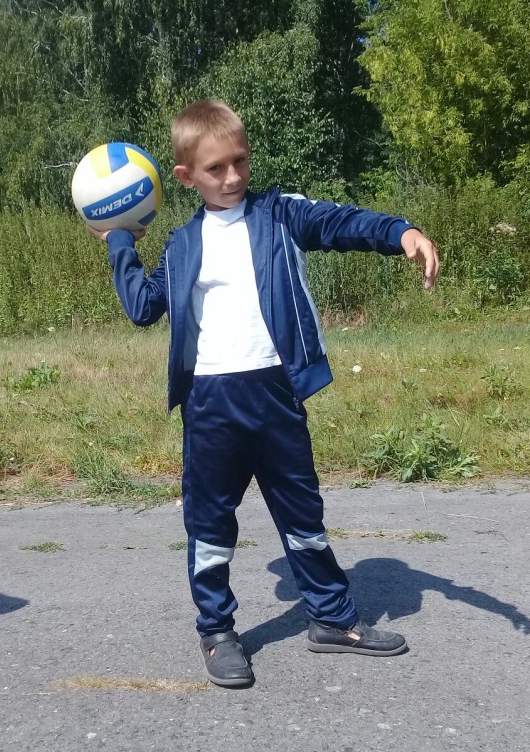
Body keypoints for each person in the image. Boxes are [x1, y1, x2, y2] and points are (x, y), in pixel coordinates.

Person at [90, 99, 439, 688]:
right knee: (210, 526)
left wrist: (399, 232)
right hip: (211, 406)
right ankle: (217, 632)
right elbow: (143, 307)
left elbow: (340, 222)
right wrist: (120, 241)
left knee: (304, 517)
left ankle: (332, 619)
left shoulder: (280, 215)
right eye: (216, 168)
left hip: (276, 396)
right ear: (186, 177)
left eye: (240, 161)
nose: (232, 176)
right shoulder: (182, 244)